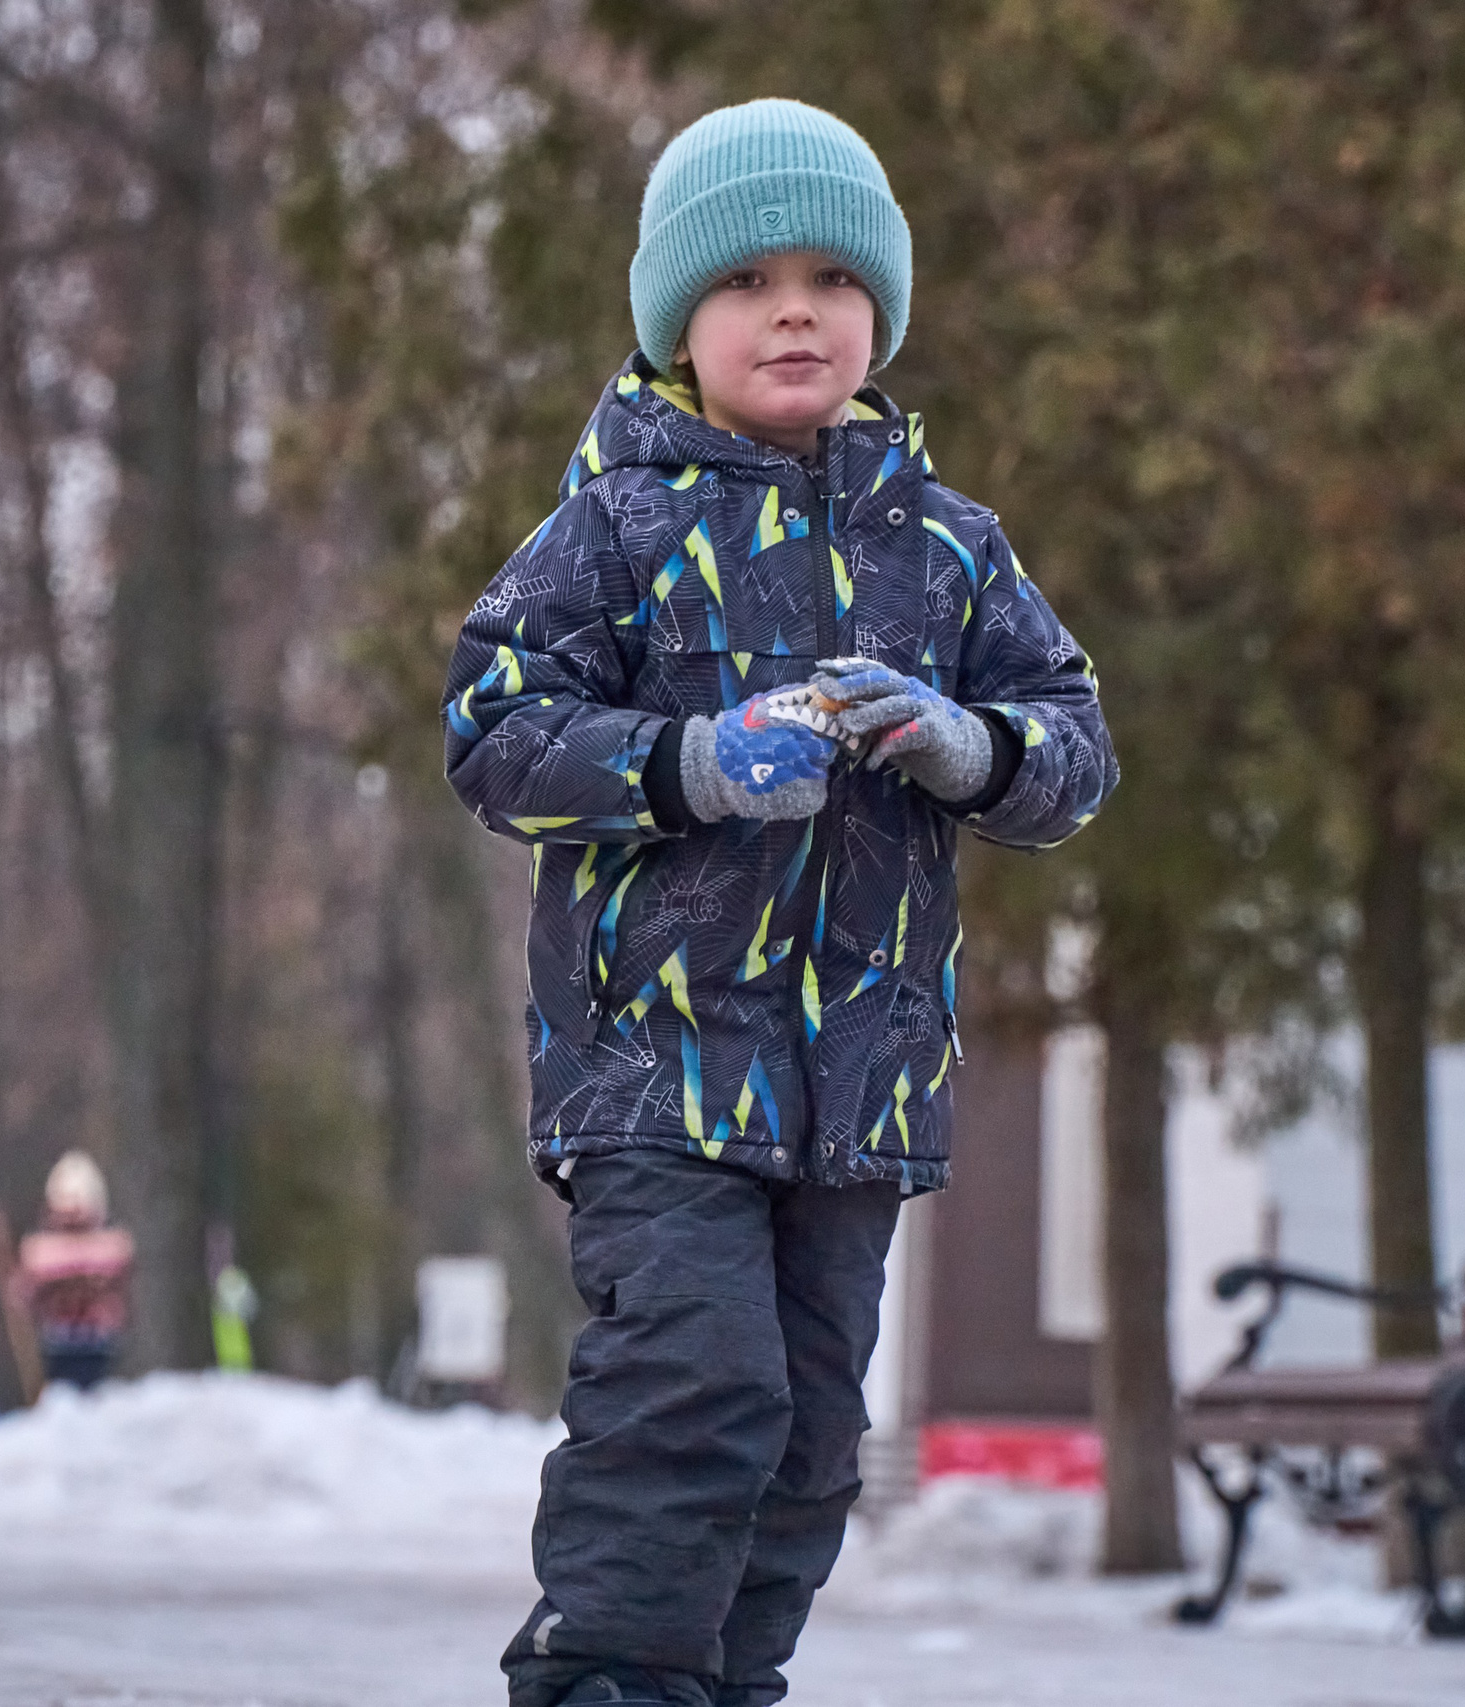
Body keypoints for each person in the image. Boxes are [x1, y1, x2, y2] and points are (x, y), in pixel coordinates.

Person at [441, 99, 1116, 1707]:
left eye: (829, 274)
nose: (793, 307)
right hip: (654, 1071)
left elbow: (1073, 748)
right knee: (693, 1386)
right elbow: (494, 736)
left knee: (812, 1435)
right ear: (681, 318)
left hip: (857, 1087)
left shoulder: (949, 551)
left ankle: (721, 1684)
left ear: (880, 309)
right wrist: (689, 761)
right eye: (745, 281)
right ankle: (607, 1676)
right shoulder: (614, 525)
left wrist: (970, 743)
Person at [13, 1150, 133, 1391]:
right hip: (59, 1347)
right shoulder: (41, 1250)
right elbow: (23, 1296)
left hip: (99, 1349)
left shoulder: (111, 1247)